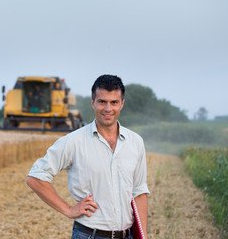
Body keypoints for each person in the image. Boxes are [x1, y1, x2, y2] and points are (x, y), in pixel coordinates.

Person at [26, 75, 149, 239]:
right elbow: (35, 177)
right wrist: (69, 210)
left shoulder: (135, 142)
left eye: (114, 102)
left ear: (122, 104)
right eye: (102, 102)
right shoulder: (73, 141)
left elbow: (139, 192)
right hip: (89, 235)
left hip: (127, 235)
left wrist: (144, 235)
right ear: (93, 102)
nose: (108, 108)